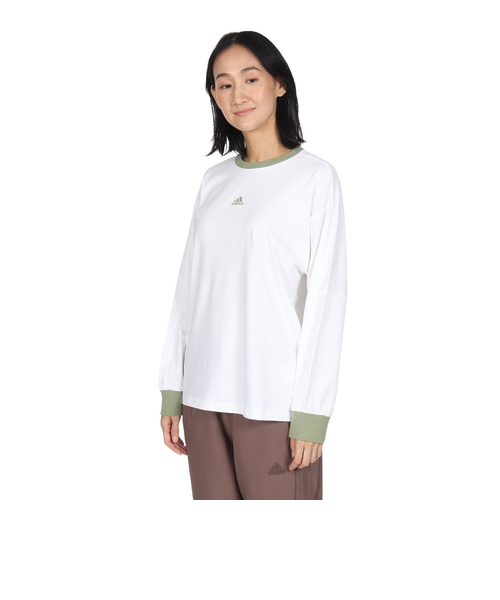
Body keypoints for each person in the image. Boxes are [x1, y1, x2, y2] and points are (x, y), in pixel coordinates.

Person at [158, 31, 347, 500]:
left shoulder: (314, 178)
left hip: (272, 402)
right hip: (203, 398)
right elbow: (188, 289)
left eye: (250, 79)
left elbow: (328, 299)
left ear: (279, 84)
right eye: (223, 84)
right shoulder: (214, 181)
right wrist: (172, 388)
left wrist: (312, 412)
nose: (237, 95)